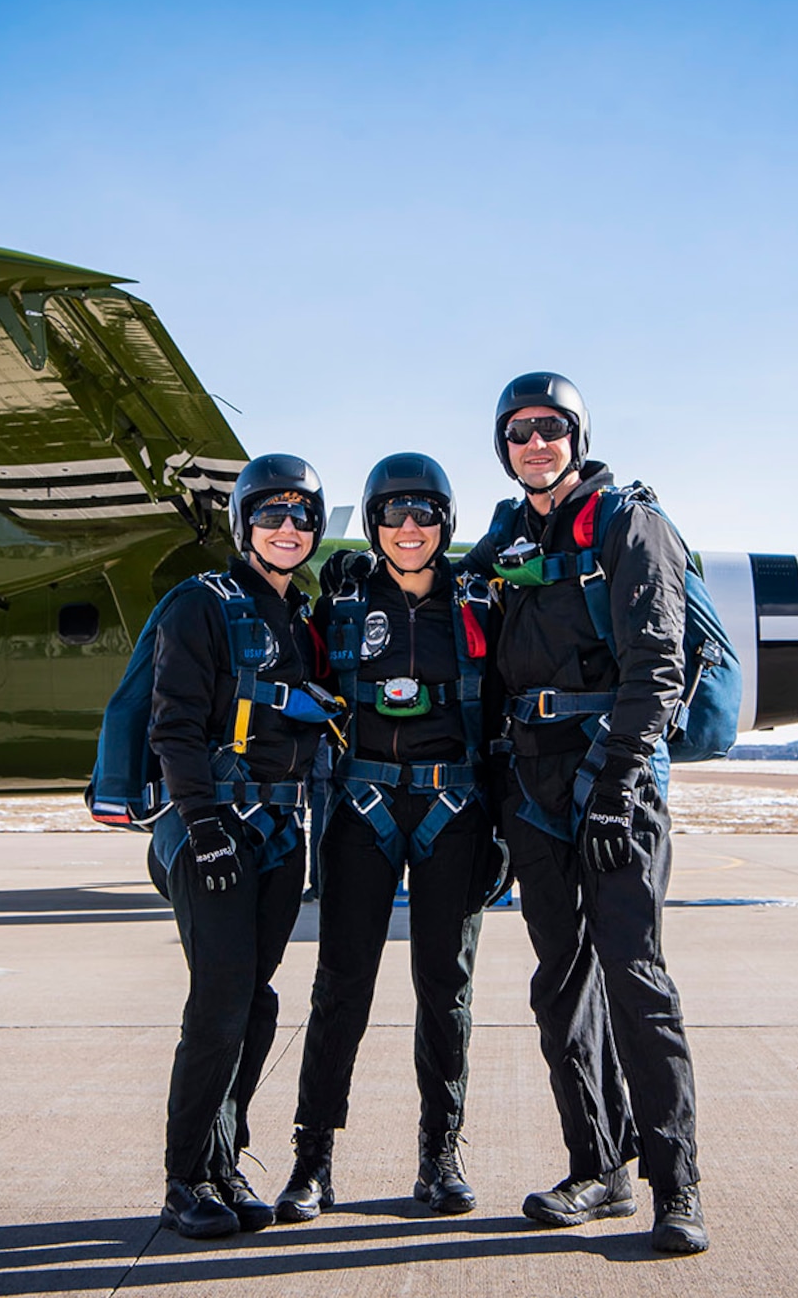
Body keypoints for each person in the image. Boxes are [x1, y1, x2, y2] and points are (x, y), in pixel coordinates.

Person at [463, 372, 710, 1255]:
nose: (534, 443)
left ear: (576, 433)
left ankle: (676, 1186)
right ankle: (597, 1166)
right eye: (518, 431)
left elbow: (658, 668)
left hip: (614, 782)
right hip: (532, 786)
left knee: (635, 978)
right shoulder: (507, 535)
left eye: (550, 428)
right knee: (559, 984)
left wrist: (616, 784)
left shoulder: (627, 524)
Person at [275, 454, 502, 1223]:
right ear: (373, 521)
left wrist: (502, 825)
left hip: (455, 813)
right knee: (341, 984)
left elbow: (503, 715)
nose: (411, 527)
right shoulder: (339, 598)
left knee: (446, 987)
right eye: (395, 512)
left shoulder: (479, 601)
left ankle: (439, 1154)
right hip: (361, 811)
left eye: (426, 512)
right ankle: (313, 1158)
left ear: (447, 521)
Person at [146, 453, 336, 1240]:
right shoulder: (201, 604)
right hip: (213, 834)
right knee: (219, 1006)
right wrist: (204, 824)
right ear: (244, 524)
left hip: (278, 836)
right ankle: (184, 1177)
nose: (287, 527)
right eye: (270, 513)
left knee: (255, 1004)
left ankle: (225, 1160)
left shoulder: (303, 617)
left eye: (301, 515)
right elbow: (173, 726)